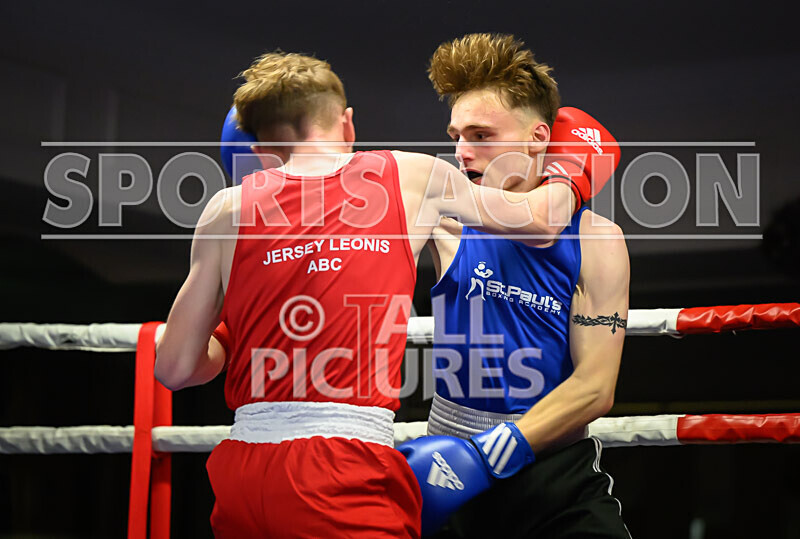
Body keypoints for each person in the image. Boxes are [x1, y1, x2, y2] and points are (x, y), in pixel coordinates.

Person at [153, 50, 603, 537]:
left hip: (240, 472)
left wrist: (239, 327)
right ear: (346, 123)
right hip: (340, 469)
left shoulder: (226, 208)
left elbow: (174, 368)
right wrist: (571, 169)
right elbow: (540, 222)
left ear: (261, 145)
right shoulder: (410, 177)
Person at [398, 33, 631, 538]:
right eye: (456, 135)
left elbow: (594, 388)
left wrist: (491, 453)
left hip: (556, 475)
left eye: (480, 135)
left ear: (539, 137)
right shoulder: (442, 220)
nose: (461, 152)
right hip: (448, 466)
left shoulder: (597, 240)